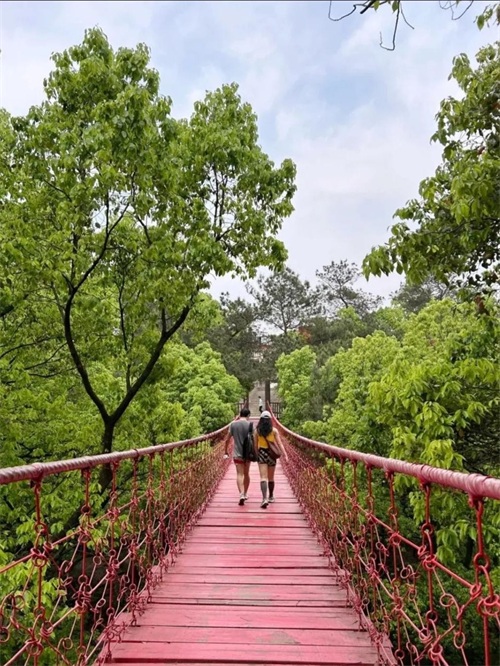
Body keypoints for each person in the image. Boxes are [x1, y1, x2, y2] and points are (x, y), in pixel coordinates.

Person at [254, 410, 288, 509]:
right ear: (270, 420)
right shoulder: (274, 431)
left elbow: (255, 446)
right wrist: (285, 455)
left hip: (262, 453)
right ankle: (271, 496)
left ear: (261, 420)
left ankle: (264, 498)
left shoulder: (257, 431)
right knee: (271, 477)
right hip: (272, 455)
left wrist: (256, 455)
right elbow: (279, 444)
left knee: (263, 477)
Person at [224, 408, 254, 505]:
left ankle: (241, 493)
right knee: (246, 473)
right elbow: (254, 440)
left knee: (239, 474)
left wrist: (225, 451)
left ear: (240, 414)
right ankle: (245, 493)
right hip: (248, 454)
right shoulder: (250, 425)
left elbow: (227, 440)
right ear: (248, 415)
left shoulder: (233, 424)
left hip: (237, 454)